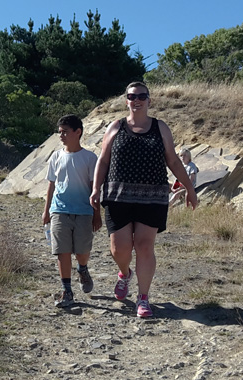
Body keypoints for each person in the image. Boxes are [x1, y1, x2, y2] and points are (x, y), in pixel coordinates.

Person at [89, 82, 198, 318]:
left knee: (145, 246)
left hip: (152, 197)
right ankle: (124, 273)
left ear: (149, 100)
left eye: (141, 96)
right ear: (126, 100)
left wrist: (189, 188)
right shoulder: (116, 127)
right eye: (131, 96)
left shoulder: (161, 128)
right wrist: (96, 188)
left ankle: (143, 298)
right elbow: (103, 160)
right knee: (120, 248)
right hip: (119, 196)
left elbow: (174, 161)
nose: (136, 100)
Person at [42, 114, 102, 308]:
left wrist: (97, 213)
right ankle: (67, 291)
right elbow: (51, 186)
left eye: (65, 132)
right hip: (59, 210)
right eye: (59, 132)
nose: (61, 136)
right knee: (62, 251)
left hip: (84, 211)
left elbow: (95, 189)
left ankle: (82, 268)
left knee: (83, 250)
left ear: (78, 132)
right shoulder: (56, 157)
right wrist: (46, 211)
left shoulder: (90, 158)